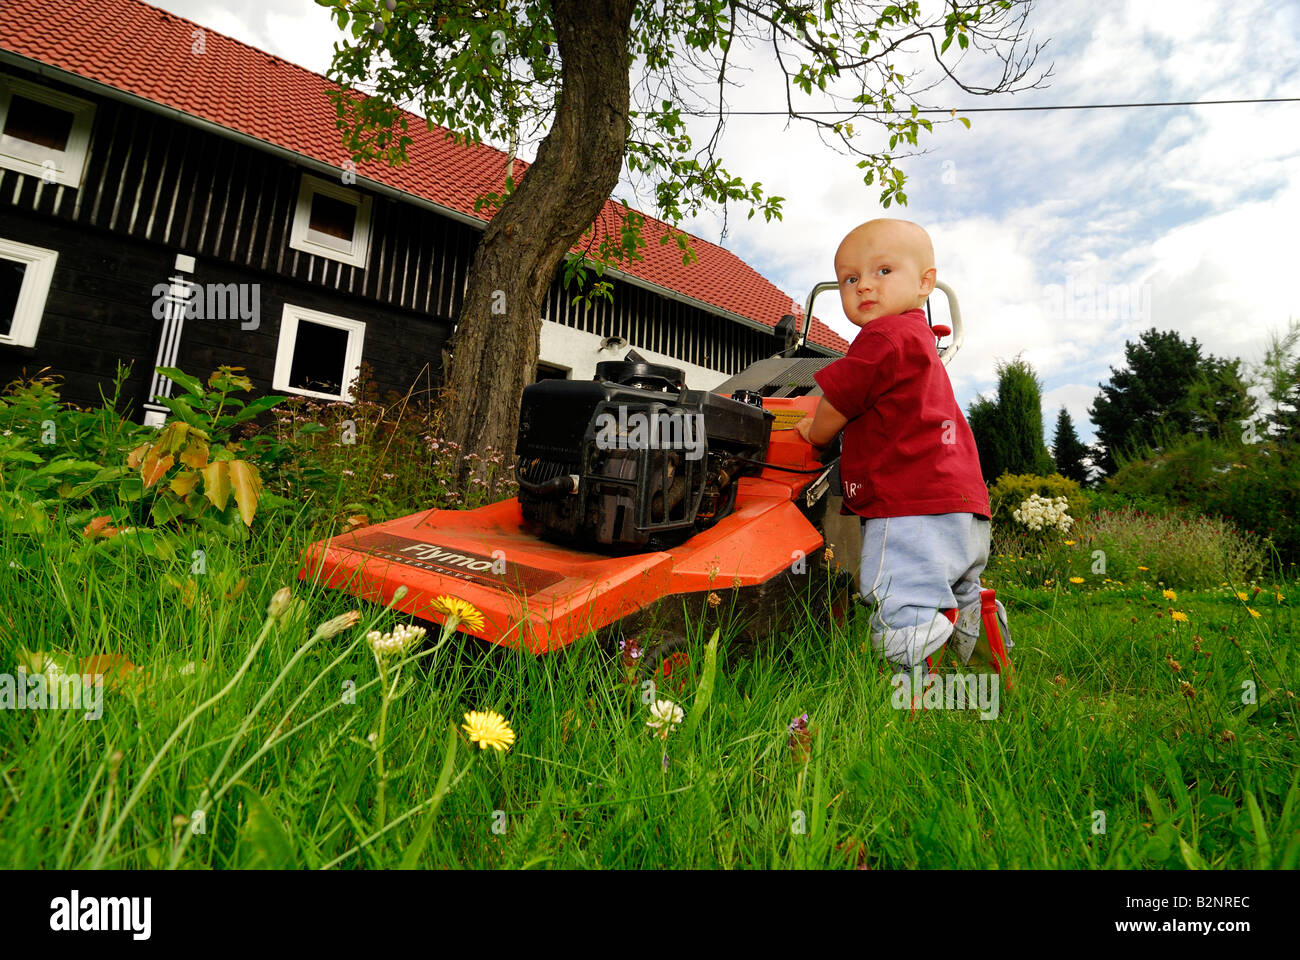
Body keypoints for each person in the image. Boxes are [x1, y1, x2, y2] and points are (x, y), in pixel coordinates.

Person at [794, 218, 992, 670]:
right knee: (960, 591)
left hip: (911, 509)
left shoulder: (881, 336)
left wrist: (814, 432)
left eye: (883, 271)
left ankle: (908, 693)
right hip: (963, 505)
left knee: (899, 599)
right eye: (849, 279)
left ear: (926, 283)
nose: (864, 286)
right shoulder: (920, 338)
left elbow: (836, 404)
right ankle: (978, 670)